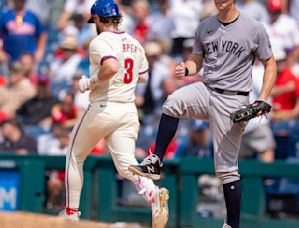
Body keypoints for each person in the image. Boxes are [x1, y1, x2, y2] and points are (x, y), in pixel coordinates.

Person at [129, 0, 277, 227]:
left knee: (226, 169)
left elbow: (270, 63)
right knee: (173, 102)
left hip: (233, 97)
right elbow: (197, 59)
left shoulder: (253, 27)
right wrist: (187, 68)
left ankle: (232, 225)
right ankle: (156, 160)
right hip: (206, 88)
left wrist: (263, 97)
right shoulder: (205, 26)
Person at [57, 1, 169, 227]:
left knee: (74, 156)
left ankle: (71, 213)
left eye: (95, 20)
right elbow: (144, 76)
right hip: (128, 110)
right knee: (127, 164)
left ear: (98, 19)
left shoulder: (100, 40)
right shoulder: (135, 43)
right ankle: (152, 193)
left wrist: (91, 82)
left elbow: (112, 67)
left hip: (104, 107)